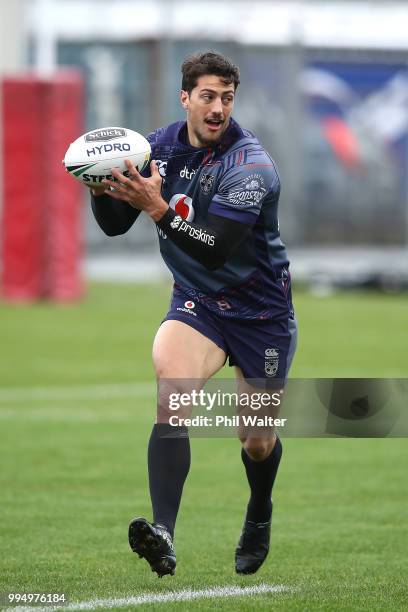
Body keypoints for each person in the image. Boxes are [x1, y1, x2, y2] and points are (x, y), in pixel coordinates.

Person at [90, 50, 297, 578]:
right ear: (185, 97)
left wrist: (157, 208)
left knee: (256, 440)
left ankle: (259, 511)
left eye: (227, 98)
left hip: (260, 313)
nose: (218, 108)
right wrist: (100, 188)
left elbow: (216, 248)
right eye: (207, 96)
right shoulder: (157, 148)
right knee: (172, 389)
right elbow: (115, 225)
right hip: (198, 301)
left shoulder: (251, 166)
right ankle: (163, 532)